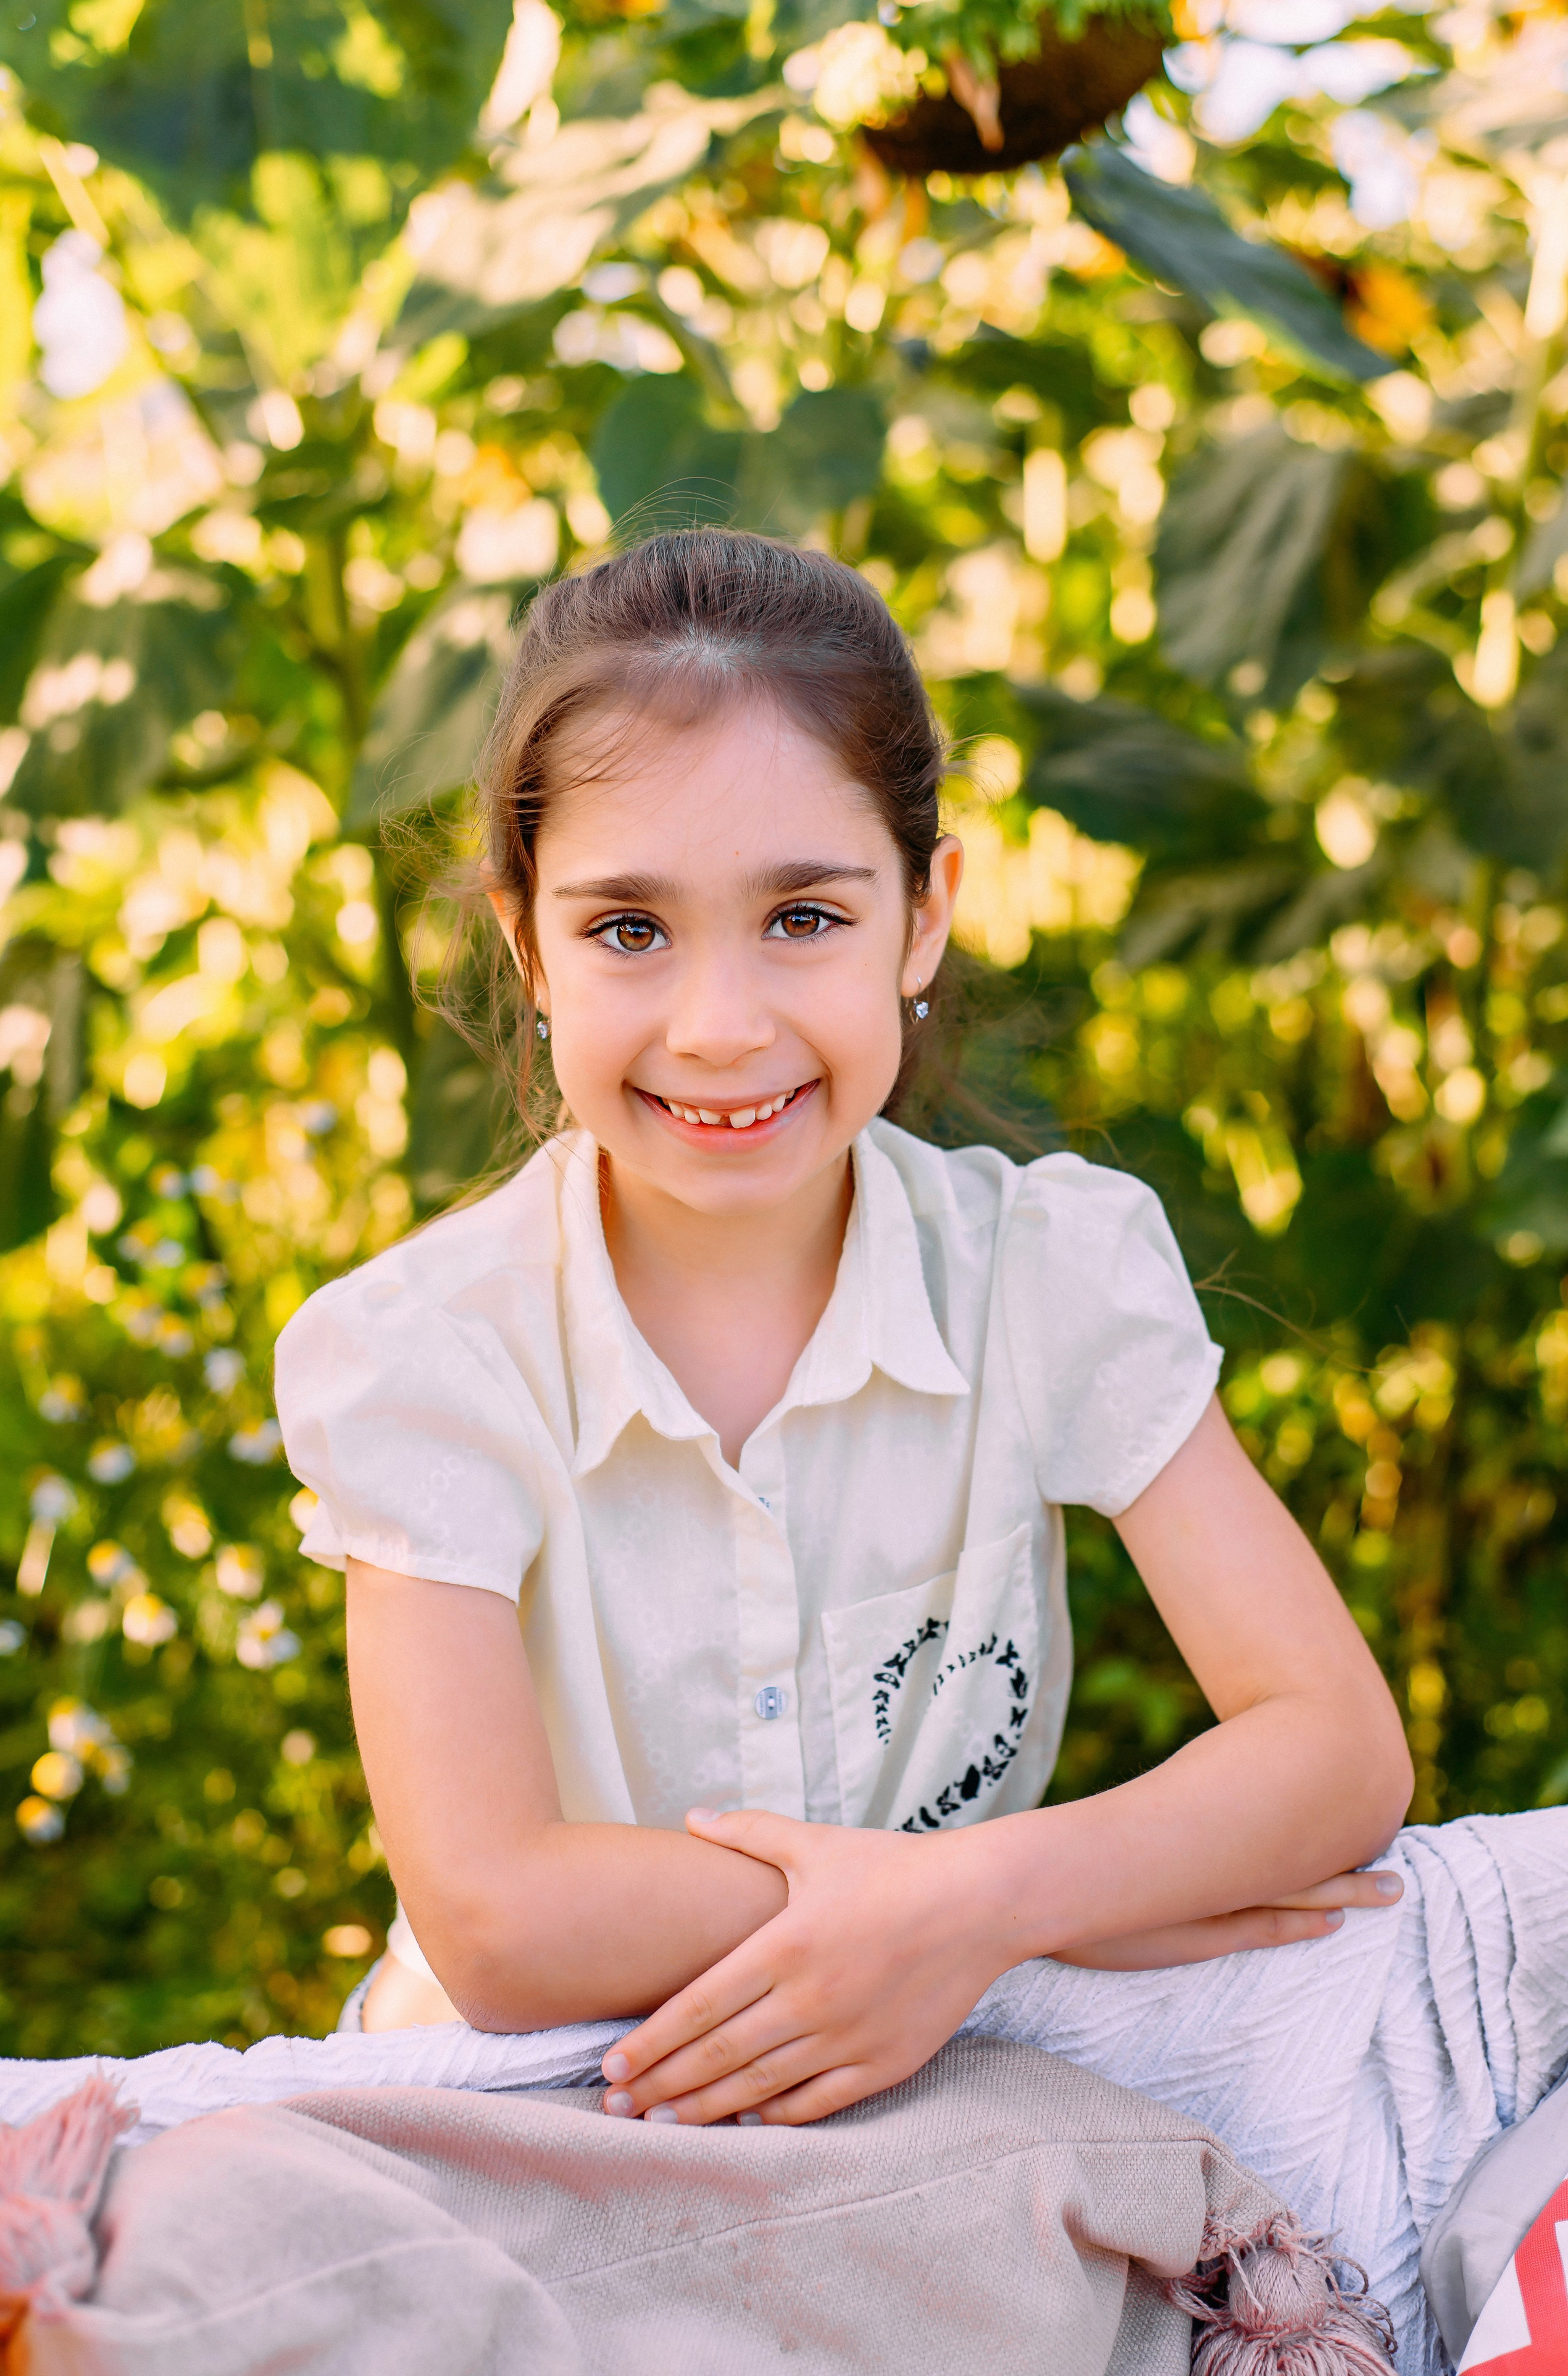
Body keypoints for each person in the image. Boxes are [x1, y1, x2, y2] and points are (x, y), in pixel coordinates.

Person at [274, 528, 1414, 2132]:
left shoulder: (1045, 1272)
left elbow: (1337, 1755)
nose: (722, 1025)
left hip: (916, 2085)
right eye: (628, 930)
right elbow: (499, 1924)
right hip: (515, 2112)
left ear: (923, 917)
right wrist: (1029, 1902)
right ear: (528, 940)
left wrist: (981, 1914)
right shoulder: (427, 1352)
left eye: (803, 916)